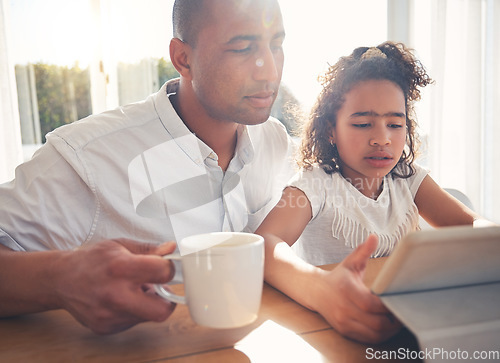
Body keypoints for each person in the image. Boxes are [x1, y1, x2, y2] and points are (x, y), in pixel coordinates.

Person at [0, 0, 291, 334]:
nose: (270, 72)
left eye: (277, 45)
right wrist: (58, 278)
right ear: (183, 58)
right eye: (242, 48)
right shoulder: (89, 156)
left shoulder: (273, 140)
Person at [256, 41, 490, 344]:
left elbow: (472, 226)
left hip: (409, 321)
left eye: (395, 124)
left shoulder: (408, 177)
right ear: (330, 129)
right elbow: (264, 244)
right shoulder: (315, 183)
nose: (382, 139)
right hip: (334, 327)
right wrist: (322, 288)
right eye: (363, 123)